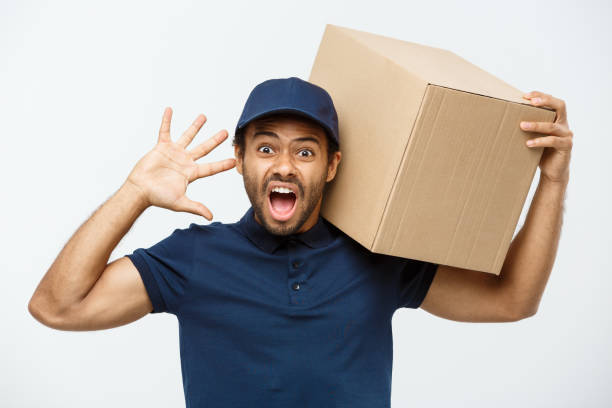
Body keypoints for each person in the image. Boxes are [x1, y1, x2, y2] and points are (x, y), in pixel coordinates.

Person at [28, 77, 573, 407]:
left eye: (305, 151)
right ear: (240, 159)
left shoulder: (378, 255)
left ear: (332, 165)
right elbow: (57, 307)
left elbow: (512, 300)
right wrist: (134, 193)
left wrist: (551, 179)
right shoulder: (193, 256)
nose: (284, 166)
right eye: (266, 149)